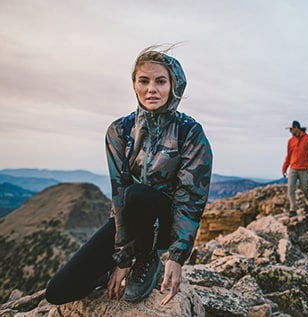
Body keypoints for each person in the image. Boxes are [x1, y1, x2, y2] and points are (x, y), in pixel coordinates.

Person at [45, 45, 213, 306]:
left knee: (138, 194)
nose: (151, 89)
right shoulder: (119, 131)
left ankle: (148, 258)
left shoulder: (189, 132)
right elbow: (119, 193)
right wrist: (121, 258)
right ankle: (116, 266)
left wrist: (177, 257)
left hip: (165, 223)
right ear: (134, 84)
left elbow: (190, 198)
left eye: (160, 81)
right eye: (143, 81)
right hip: (131, 217)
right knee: (59, 291)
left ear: (174, 85)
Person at [281, 120, 308, 217]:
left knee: (305, 188)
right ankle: (293, 209)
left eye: (291, 129)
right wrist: (284, 167)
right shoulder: (291, 141)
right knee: (290, 189)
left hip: (304, 168)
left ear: (296, 128)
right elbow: (288, 155)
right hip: (293, 168)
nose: (290, 131)